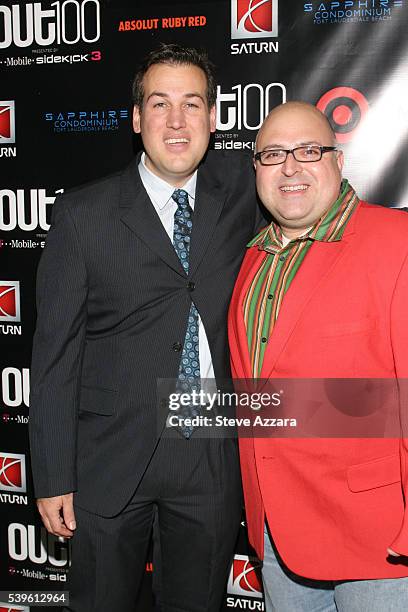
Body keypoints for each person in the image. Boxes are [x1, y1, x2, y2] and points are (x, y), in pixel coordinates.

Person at [29, 44, 263, 612]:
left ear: (214, 117)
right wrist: (53, 473)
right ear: (137, 119)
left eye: (192, 104)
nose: (177, 122)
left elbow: (310, 186)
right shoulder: (84, 215)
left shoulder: (246, 196)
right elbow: (55, 355)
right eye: (160, 104)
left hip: (210, 451)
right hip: (109, 455)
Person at [228, 101, 408, 611]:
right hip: (279, 536)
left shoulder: (396, 243)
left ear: (337, 159)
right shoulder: (253, 259)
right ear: (256, 169)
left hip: (379, 540)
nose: (290, 167)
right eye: (273, 154)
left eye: (308, 150)